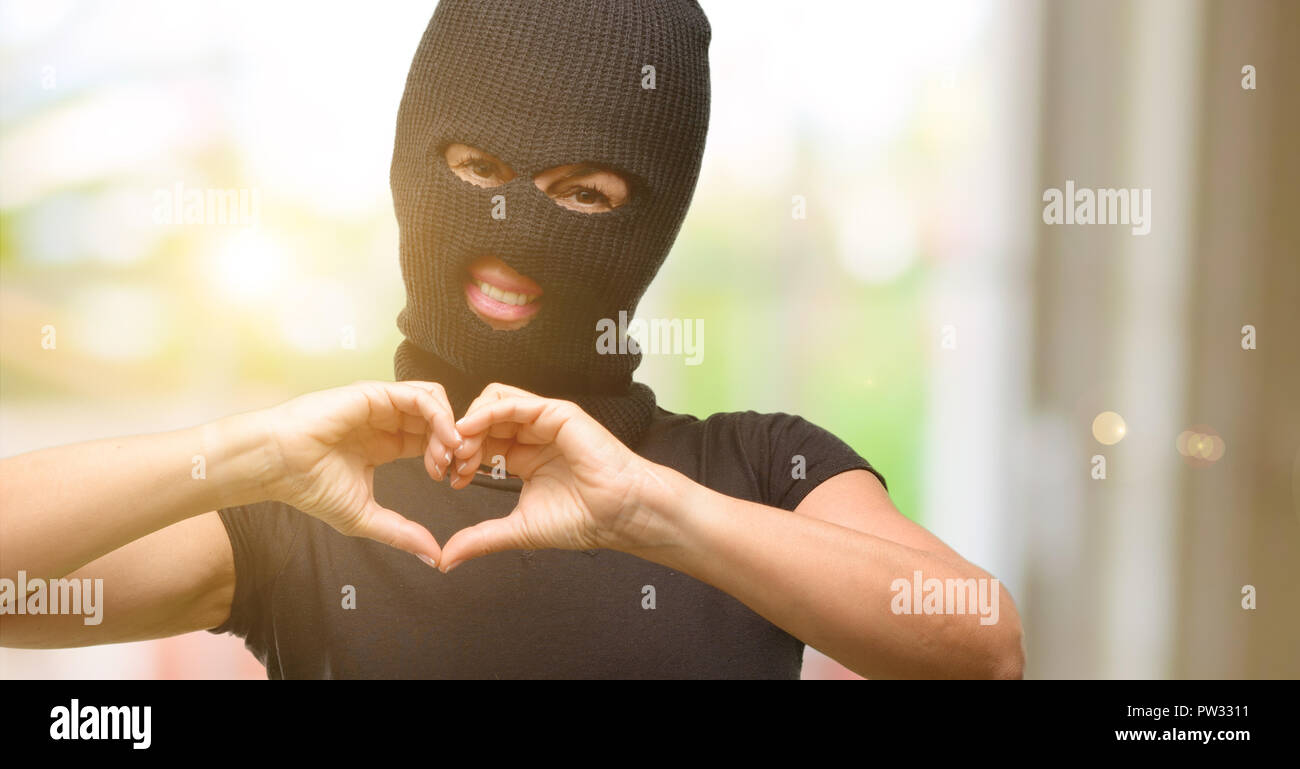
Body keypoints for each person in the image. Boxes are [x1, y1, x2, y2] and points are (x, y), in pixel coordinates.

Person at [0, 0, 1024, 679]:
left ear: (651, 217)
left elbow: (982, 644)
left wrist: (649, 510)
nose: (515, 233)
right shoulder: (306, 502)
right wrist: (247, 455)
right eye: (479, 170)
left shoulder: (751, 466)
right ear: (414, 163)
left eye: (583, 192)